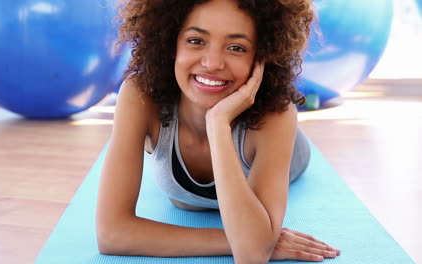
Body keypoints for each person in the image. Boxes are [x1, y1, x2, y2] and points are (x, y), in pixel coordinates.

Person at [96, 0, 341, 263]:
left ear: (261, 58)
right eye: (195, 40)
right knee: (187, 202)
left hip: (287, 152)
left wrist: (218, 124)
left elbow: (252, 255)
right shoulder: (141, 96)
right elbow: (111, 234)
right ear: (171, 42)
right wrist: (241, 238)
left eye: (236, 47)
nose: (212, 63)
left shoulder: (276, 116)